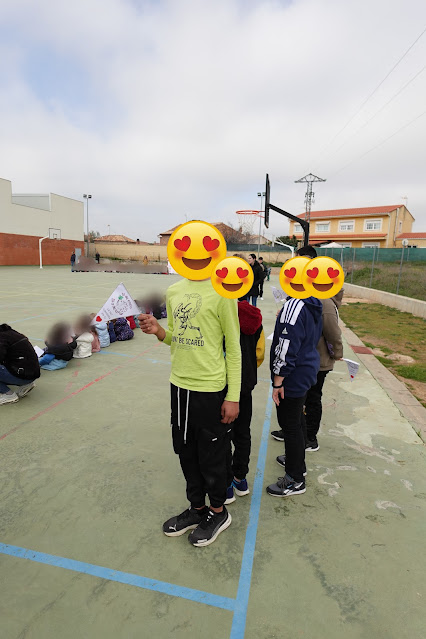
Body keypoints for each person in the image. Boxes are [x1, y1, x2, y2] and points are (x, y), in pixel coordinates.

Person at [139, 274, 241, 547]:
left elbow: (233, 349)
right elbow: (177, 337)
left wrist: (233, 396)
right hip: (179, 386)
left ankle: (218, 512)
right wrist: (159, 331)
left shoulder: (224, 292)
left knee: (212, 456)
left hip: (210, 388)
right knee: (186, 451)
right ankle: (197, 508)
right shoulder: (174, 291)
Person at [271, 245, 344, 452]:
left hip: (317, 360)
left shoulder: (323, 301)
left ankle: (310, 438)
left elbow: (333, 332)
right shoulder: (304, 297)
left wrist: (337, 354)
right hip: (305, 358)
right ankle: (293, 432)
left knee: (311, 400)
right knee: (298, 403)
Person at [267, 291, 322, 497]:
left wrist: (278, 380)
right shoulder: (312, 302)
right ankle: (297, 464)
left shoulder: (295, 305)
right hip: (305, 369)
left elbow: (286, 346)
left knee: (290, 425)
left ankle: (294, 479)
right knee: (297, 421)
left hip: (293, 374)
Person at [225, 300, 265, 504]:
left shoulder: (220, 312)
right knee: (243, 434)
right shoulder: (254, 316)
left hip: (223, 384)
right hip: (246, 383)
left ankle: (225, 485)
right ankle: (240, 479)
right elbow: (260, 353)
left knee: (222, 435)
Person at [0, 324, 40, 404]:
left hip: (22, 374)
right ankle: (26, 385)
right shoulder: (10, 333)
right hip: (31, 373)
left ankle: (8, 394)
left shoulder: (1, 339)